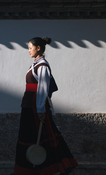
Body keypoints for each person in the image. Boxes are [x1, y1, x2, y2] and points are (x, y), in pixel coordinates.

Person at [13, 37, 78, 175]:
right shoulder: (35, 65)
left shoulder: (42, 66)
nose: (29, 51)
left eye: (31, 48)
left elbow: (42, 89)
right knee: (31, 136)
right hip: (29, 106)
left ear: (38, 48)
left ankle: (59, 166)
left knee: (43, 135)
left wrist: (41, 110)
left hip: (36, 106)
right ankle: (28, 170)